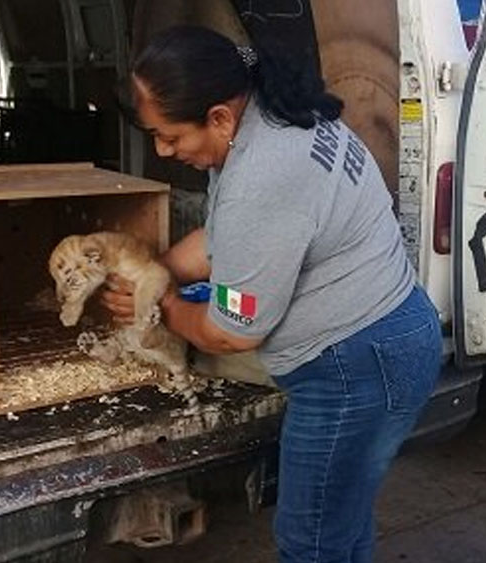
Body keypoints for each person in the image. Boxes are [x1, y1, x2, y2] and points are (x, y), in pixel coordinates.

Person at [102, 25, 443, 562]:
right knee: (341, 526)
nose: (163, 151)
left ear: (217, 116)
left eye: (169, 136)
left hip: (355, 370)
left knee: (311, 542)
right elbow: (223, 243)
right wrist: (158, 272)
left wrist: (161, 306)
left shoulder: (261, 179)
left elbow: (230, 331)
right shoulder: (270, 116)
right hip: (391, 338)